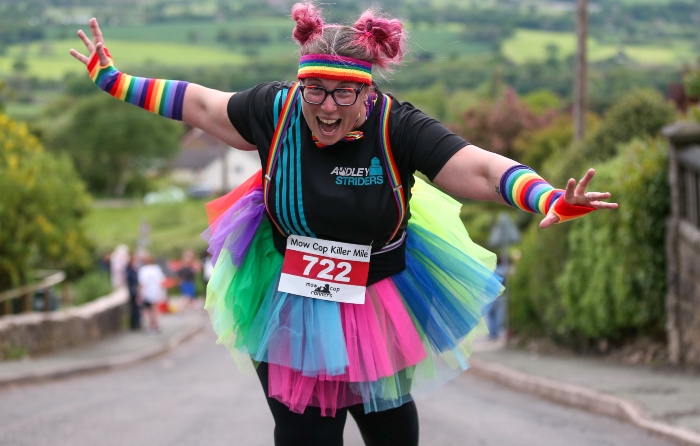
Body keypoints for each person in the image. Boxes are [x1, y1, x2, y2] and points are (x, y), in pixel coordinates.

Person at [71, 6, 617, 445]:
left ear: (366, 92)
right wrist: (113, 80)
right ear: (300, 86)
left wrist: (543, 195)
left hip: (378, 293)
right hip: (287, 291)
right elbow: (200, 105)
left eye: (343, 94)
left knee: (389, 429)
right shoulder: (276, 110)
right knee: (304, 432)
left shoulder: (396, 124)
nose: (327, 107)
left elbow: (474, 166)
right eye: (316, 91)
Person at [137, 253, 166, 335]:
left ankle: (151, 326)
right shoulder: (156, 269)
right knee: (154, 310)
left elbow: (142, 283)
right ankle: (156, 325)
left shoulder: (142, 270)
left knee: (148, 311)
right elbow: (161, 281)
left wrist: (139, 294)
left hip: (147, 293)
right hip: (155, 292)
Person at [125, 251, 142, 330]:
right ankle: (134, 324)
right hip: (133, 290)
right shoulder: (129, 269)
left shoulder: (132, 269)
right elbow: (132, 279)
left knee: (136, 308)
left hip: (134, 290)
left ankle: (137, 323)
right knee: (135, 308)